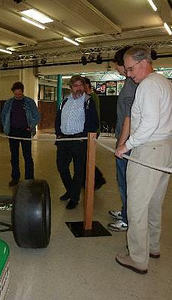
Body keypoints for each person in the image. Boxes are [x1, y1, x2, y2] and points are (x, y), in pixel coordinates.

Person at [115, 46, 172, 274]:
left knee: (137, 205)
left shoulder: (147, 85)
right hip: (165, 148)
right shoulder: (164, 82)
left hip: (147, 150)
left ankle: (138, 257)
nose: (128, 74)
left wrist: (125, 146)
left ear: (143, 62)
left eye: (130, 69)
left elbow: (148, 124)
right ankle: (153, 247)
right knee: (154, 203)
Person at [55, 75, 99, 209]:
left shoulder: (88, 101)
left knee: (79, 171)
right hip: (63, 140)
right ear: (71, 87)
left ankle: (74, 198)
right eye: (76, 86)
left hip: (79, 140)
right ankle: (71, 191)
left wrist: (85, 136)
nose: (79, 88)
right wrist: (58, 134)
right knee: (62, 167)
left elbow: (94, 122)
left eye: (81, 85)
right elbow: (58, 118)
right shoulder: (64, 101)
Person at [108, 47, 138, 232]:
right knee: (123, 180)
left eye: (117, 67)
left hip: (127, 143)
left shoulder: (132, 85)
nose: (117, 70)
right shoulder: (129, 83)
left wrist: (122, 144)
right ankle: (125, 211)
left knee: (126, 181)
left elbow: (129, 116)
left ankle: (127, 218)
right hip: (125, 139)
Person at [1, 81, 40, 186]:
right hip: (13, 132)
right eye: (16, 94)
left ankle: (29, 178)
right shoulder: (9, 103)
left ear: (23, 92)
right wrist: (6, 128)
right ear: (13, 92)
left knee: (27, 156)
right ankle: (15, 178)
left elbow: (37, 116)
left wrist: (31, 126)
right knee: (14, 157)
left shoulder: (29, 102)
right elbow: (3, 116)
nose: (18, 96)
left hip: (25, 132)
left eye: (20, 94)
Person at [83, 77, 106, 190]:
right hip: (88, 131)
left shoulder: (92, 97)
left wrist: (94, 131)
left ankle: (98, 179)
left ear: (87, 85)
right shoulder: (87, 97)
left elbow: (94, 115)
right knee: (85, 158)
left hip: (92, 131)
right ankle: (88, 180)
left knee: (88, 158)